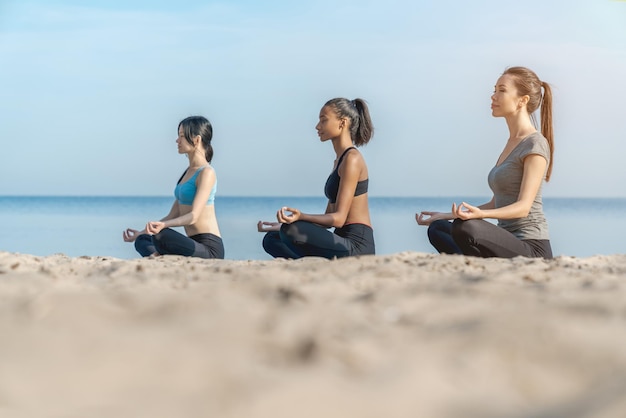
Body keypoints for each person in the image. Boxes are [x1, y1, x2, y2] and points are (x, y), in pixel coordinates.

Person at [416, 66, 555, 259]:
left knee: (466, 228)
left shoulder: (535, 143)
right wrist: (447, 215)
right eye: (494, 90)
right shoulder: (511, 143)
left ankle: (477, 257)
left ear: (522, 101)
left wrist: (478, 217)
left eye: (502, 90)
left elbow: (523, 207)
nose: (493, 96)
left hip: (531, 247)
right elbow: (495, 202)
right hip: (506, 239)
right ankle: (477, 261)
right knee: (438, 228)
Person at [258, 98, 376, 259]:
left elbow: (339, 219)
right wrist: (285, 223)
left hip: (357, 245)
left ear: (343, 123)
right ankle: (312, 262)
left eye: (323, 120)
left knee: (290, 231)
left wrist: (301, 216)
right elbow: (329, 217)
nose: (317, 126)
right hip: (341, 238)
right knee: (272, 239)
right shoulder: (339, 161)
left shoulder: (352, 159)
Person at [123, 116, 224, 259]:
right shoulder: (187, 173)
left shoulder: (207, 173)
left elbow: (193, 216)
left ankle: (157, 255)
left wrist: (162, 226)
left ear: (197, 140)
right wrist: (142, 232)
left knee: (161, 235)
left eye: (182, 136)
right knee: (143, 240)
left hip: (209, 248)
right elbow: (173, 215)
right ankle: (157, 255)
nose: (177, 140)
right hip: (190, 243)